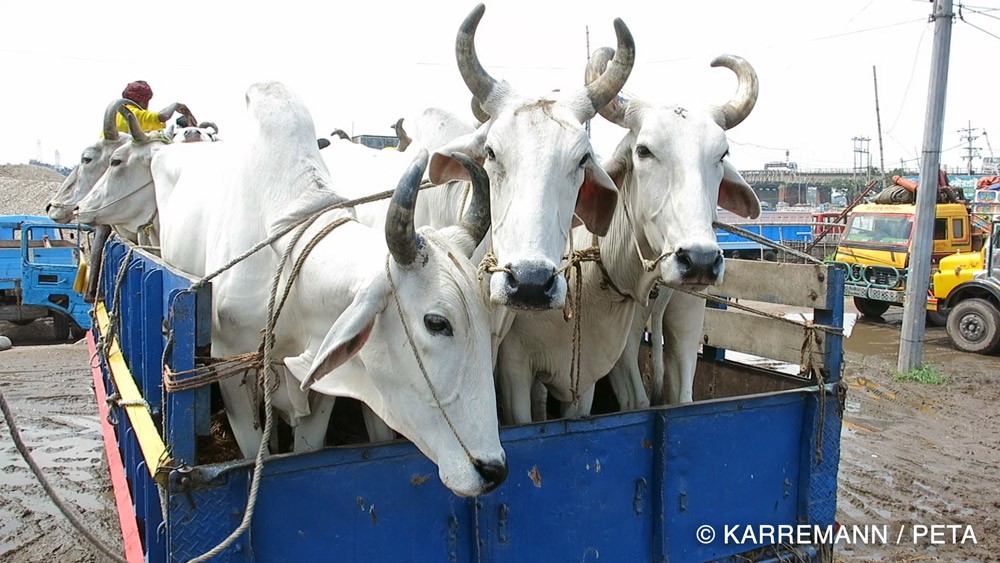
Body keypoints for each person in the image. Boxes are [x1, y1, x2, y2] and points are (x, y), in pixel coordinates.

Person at [113, 80, 197, 135]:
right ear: (143, 101)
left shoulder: (117, 114)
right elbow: (163, 116)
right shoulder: (133, 113)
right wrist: (176, 105)